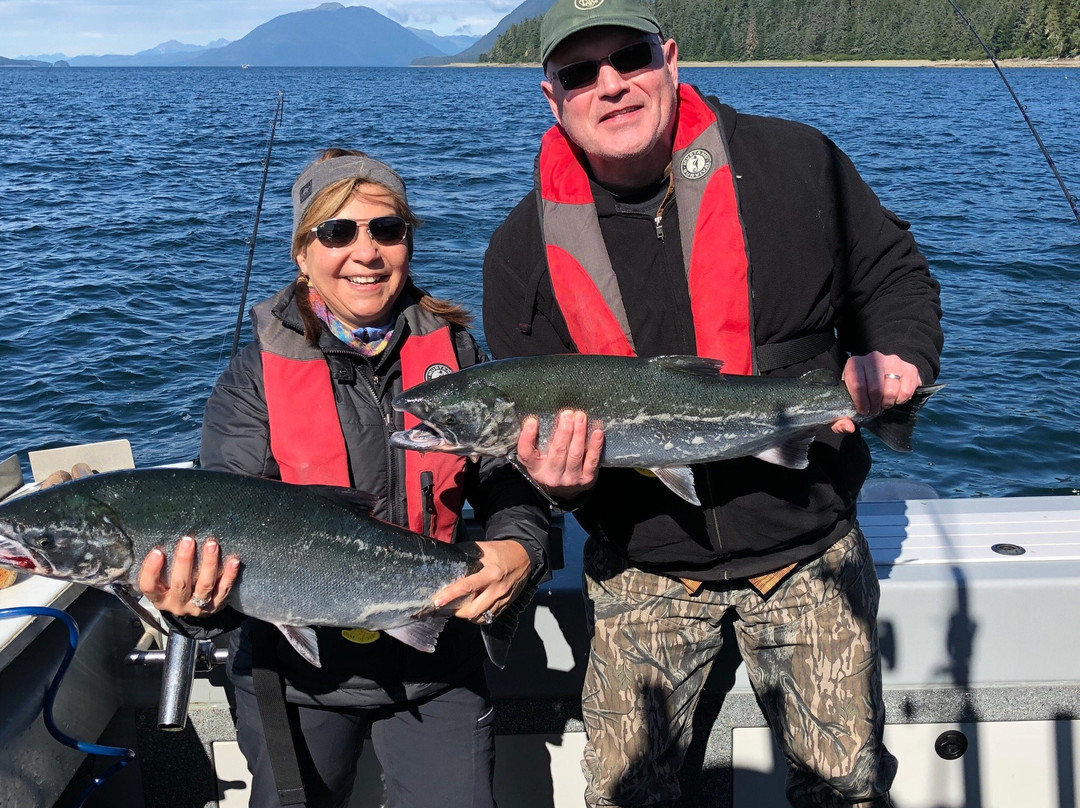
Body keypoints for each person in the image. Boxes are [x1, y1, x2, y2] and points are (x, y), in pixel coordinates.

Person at [481, 1, 943, 806]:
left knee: (846, 793)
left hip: (810, 552)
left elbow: (894, 275)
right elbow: (536, 452)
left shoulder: (796, 162)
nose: (612, 85)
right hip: (641, 571)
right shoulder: (520, 252)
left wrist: (898, 357)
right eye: (580, 73)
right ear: (551, 98)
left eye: (629, 57)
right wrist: (556, 486)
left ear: (670, 58)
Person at [138, 148, 550, 808]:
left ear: (408, 240)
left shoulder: (458, 355)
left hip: (436, 661)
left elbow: (509, 480)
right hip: (296, 675)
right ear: (303, 253)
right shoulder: (252, 381)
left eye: (386, 228)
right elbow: (219, 516)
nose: (366, 251)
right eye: (337, 231)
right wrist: (193, 611)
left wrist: (522, 546)